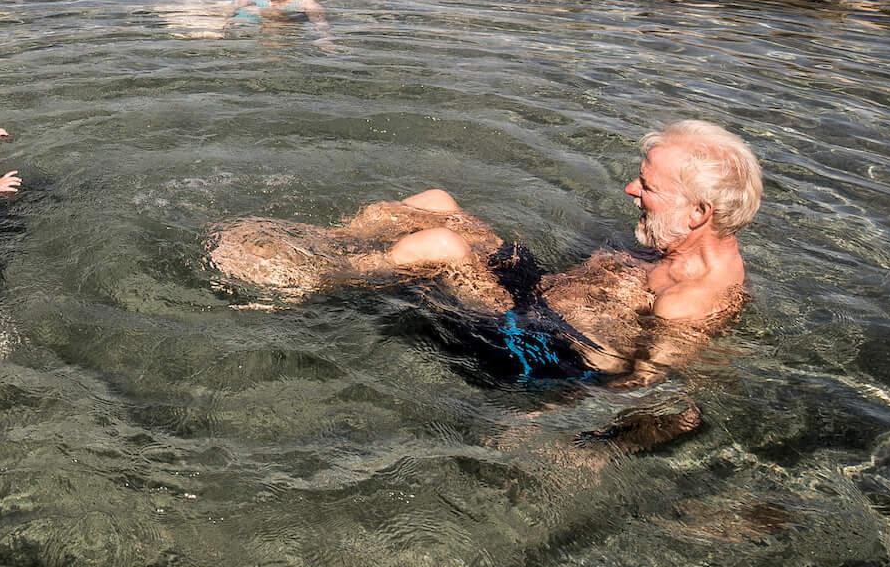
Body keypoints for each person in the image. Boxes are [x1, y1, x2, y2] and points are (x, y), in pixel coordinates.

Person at [208, 121, 760, 385]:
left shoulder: (689, 301)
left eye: (647, 186)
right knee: (435, 202)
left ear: (697, 213)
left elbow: (641, 387)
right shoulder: (674, 240)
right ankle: (324, 242)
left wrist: (568, 445)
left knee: (442, 246)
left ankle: (305, 278)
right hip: (538, 295)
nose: (630, 192)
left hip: (537, 342)